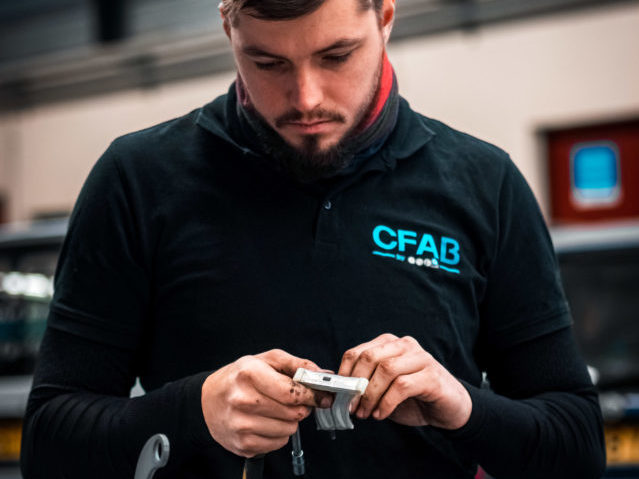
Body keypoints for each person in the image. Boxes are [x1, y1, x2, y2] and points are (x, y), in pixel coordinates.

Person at [21, 0, 606, 477]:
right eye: (268, 63)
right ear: (228, 26)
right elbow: (49, 445)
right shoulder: (138, 180)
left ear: (385, 18)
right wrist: (192, 414)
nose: (306, 99)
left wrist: (464, 409)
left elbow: (576, 448)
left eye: (336, 56)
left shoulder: (486, 183)